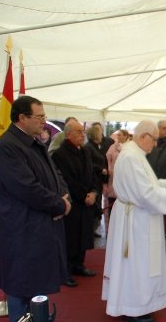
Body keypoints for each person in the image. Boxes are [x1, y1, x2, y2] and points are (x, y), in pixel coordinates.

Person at [0, 96, 71, 322]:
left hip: (38, 227)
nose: (44, 122)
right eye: (40, 117)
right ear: (21, 118)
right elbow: (27, 188)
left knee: (36, 287)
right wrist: (59, 204)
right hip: (23, 231)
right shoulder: (7, 148)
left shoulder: (33, 142)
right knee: (21, 288)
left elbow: (55, 174)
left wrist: (64, 197)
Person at [102, 120, 166, 321]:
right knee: (136, 264)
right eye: (155, 139)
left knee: (137, 264)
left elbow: (145, 183)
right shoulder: (132, 157)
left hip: (135, 216)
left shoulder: (134, 154)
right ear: (143, 137)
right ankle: (134, 308)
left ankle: (135, 304)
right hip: (135, 220)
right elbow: (144, 194)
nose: (156, 144)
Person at [52, 120, 102, 287]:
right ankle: (66, 270)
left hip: (87, 201)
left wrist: (94, 192)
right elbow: (67, 181)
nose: (83, 135)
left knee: (83, 235)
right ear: (68, 134)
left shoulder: (85, 151)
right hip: (73, 203)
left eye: (83, 132)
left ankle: (79, 265)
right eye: (79, 132)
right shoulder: (60, 155)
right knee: (70, 237)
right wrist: (84, 196)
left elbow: (93, 174)